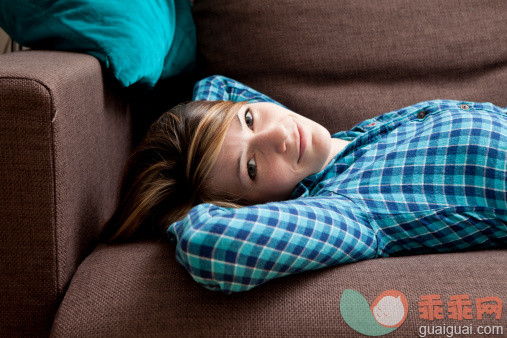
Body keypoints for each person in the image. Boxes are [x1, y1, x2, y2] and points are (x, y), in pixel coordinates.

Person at [102, 75, 507, 294]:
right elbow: (209, 243)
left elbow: (218, 86)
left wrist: (214, 132)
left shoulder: (348, 140)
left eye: (248, 119)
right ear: (251, 205)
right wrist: (181, 204)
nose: (277, 136)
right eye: (252, 168)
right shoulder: (348, 210)